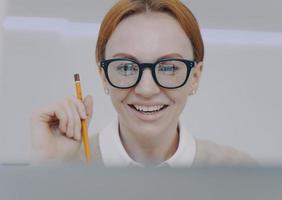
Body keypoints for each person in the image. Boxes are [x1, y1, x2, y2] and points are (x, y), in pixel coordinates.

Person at [31, 0, 255, 167]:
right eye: (126, 67)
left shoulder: (239, 171)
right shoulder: (67, 165)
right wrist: (49, 172)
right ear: (103, 76)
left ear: (195, 77)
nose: (146, 90)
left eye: (168, 67)